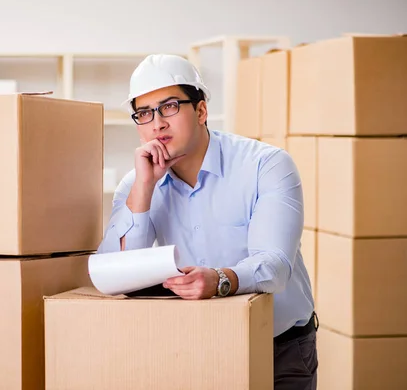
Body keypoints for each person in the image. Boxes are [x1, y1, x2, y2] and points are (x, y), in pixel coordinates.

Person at [97, 54, 318, 390]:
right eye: (144, 113)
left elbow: (275, 265)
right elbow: (112, 275)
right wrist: (144, 188)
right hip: (193, 343)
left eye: (169, 106)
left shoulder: (267, 166)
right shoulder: (137, 183)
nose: (156, 123)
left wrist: (220, 279)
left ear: (200, 111)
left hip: (278, 348)